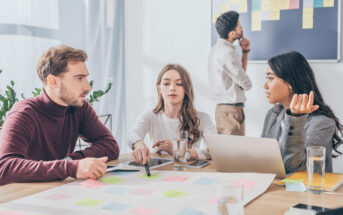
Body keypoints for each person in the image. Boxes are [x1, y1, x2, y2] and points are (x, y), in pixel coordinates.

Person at [0, 45, 120, 185]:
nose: (88, 87)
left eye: (86, 77)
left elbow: (110, 146)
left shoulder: (79, 108)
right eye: (79, 78)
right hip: (24, 196)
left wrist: (70, 161)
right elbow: (5, 168)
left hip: (56, 189)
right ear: (53, 81)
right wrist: (69, 167)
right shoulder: (23, 114)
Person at [262, 51, 342, 173]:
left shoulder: (322, 123)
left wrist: (296, 119)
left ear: (290, 83)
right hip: (275, 186)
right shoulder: (273, 114)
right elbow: (263, 159)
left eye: (270, 78)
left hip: (305, 190)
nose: (265, 85)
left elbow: (294, 167)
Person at [127, 63, 216, 164]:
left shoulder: (202, 118)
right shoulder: (149, 116)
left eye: (179, 84)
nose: (172, 88)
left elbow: (216, 149)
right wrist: (139, 144)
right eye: (166, 83)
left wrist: (183, 152)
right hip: (160, 171)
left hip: (190, 171)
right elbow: (132, 135)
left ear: (186, 89)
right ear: (159, 88)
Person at [208, 11, 252, 136]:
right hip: (231, 111)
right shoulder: (228, 53)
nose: (242, 28)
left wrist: (245, 52)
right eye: (239, 25)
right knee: (234, 153)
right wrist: (247, 84)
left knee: (228, 151)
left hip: (224, 111)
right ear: (232, 33)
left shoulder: (216, 49)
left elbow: (238, 76)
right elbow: (246, 84)